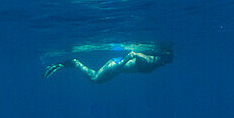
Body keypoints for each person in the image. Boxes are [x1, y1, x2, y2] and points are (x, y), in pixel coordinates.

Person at [44, 44, 173, 83]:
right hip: (116, 66)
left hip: (117, 67)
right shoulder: (150, 60)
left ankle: (68, 64)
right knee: (95, 79)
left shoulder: (155, 62)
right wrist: (121, 64)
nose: (165, 64)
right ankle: (73, 62)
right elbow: (133, 53)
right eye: (166, 61)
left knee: (95, 78)